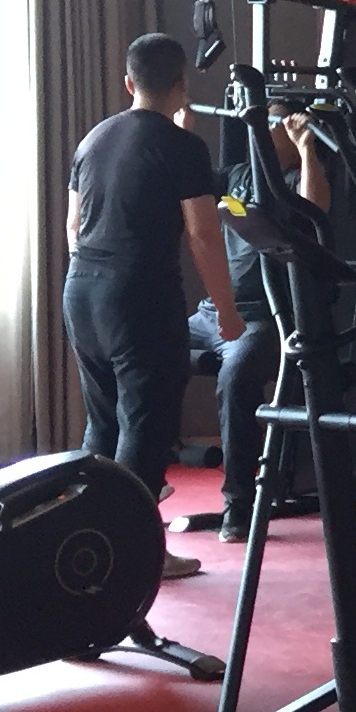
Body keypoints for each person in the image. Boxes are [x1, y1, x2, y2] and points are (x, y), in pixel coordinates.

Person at [68, 32, 240, 579]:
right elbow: (204, 235)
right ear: (181, 84)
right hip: (138, 295)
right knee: (144, 427)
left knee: (103, 424)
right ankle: (136, 556)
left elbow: (73, 227)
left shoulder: (94, 138)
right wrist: (226, 310)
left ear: (129, 83)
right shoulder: (184, 147)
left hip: (81, 291)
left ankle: (90, 545)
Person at [195, 101, 325, 541]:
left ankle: (238, 505)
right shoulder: (236, 177)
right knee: (142, 345)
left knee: (236, 378)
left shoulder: (292, 183)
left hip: (261, 320)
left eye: (273, 122)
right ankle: (141, 481)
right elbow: (189, 184)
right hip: (211, 312)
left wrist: (307, 148)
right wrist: (183, 131)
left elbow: (317, 210)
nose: (262, 130)